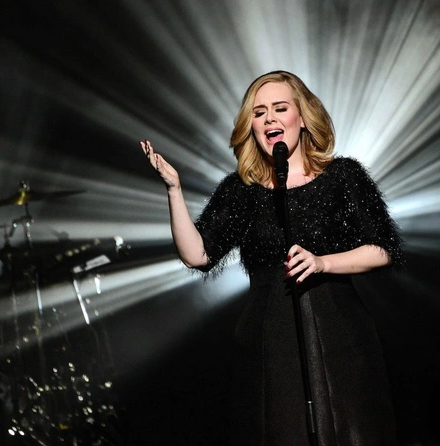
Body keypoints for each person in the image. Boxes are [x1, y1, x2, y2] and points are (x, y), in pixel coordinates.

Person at [140, 70, 403, 445]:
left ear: (303, 117)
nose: (269, 119)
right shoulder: (241, 189)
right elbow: (198, 254)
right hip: (270, 340)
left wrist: (324, 263)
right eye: (259, 112)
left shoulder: (342, 176)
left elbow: (382, 248)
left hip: (339, 334)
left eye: (280, 108)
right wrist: (174, 190)